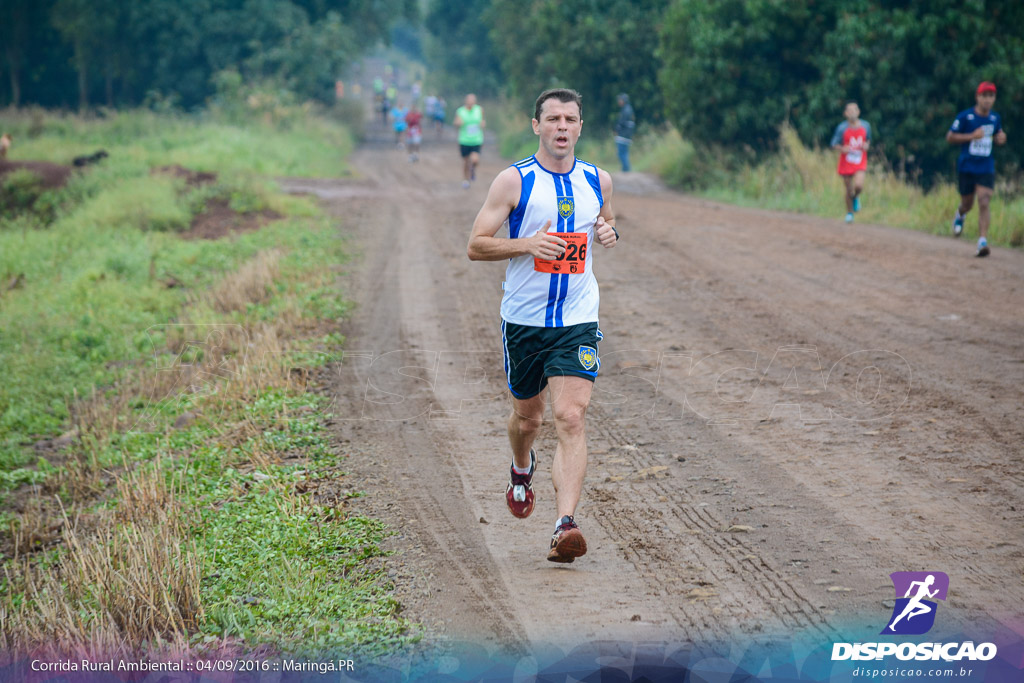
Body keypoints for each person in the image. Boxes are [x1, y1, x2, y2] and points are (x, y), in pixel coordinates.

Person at [466, 88, 620, 563]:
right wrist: (527, 245)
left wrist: (609, 232)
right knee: (528, 420)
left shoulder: (599, 179)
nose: (561, 127)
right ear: (536, 125)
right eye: (552, 118)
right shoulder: (513, 182)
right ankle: (520, 467)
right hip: (525, 321)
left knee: (571, 416)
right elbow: (476, 244)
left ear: (579, 127)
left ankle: (564, 526)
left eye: (570, 119)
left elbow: (607, 223)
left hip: (577, 318)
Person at [947, 81, 1007, 257]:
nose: (988, 100)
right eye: (985, 96)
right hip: (967, 166)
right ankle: (960, 213)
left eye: (991, 96)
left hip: (986, 167)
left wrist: (1000, 139)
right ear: (977, 97)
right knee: (968, 203)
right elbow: (950, 137)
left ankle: (982, 241)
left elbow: (998, 136)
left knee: (984, 200)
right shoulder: (966, 117)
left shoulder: (995, 119)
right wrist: (971, 136)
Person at [829, 101, 872, 224]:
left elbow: (868, 140)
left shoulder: (866, 126)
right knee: (848, 188)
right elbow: (833, 144)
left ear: (858, 112)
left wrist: (866, 146)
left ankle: (856, 197)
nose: (852, 113)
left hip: (860, 161)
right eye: (850, 111)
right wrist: (842, 148)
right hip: (846, 162)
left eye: (855, 110)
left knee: (858, 185)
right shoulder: (842, 128)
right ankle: (849, 213)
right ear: (845, 114)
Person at [454, 94, 485, 189]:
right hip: (464, 140)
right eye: (469, 100)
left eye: (473, 100)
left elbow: (482, 121)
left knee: (475, 160)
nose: (471, 102)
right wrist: (458, 123)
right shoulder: (460, 111)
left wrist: (483, 124)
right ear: (466, 101)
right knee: (466, 161)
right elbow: (455, 123)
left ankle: (473, 169)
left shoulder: (479, 109)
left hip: (476, 139)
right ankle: (466, 180)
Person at [613, 93, 635, 172]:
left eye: (620, 100)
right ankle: (626, 168)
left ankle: (626, 169)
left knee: (621, 153)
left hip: (623, 135)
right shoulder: (629, 109)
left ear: (624, 101)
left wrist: (616, 130)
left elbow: (621, 123)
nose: (619, 101)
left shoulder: (625, 110)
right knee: (624, 152)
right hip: (627, 135)